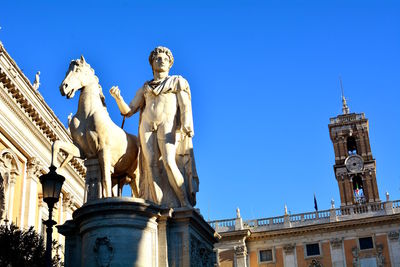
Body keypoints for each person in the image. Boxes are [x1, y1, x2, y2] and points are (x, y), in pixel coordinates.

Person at [110, 46, 198, 207]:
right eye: (158, 58)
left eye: (165, 59)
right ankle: (157, 206)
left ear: (170, 63)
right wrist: (118, 97)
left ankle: (184, 202)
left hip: (167, 123)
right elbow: (128, 111)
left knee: (169, 162)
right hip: (147, 126)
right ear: (152, 63)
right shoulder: (146, 87)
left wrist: (186, 123)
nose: (161, 60)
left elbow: (185, 105)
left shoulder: (177, 81)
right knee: (151, 168)